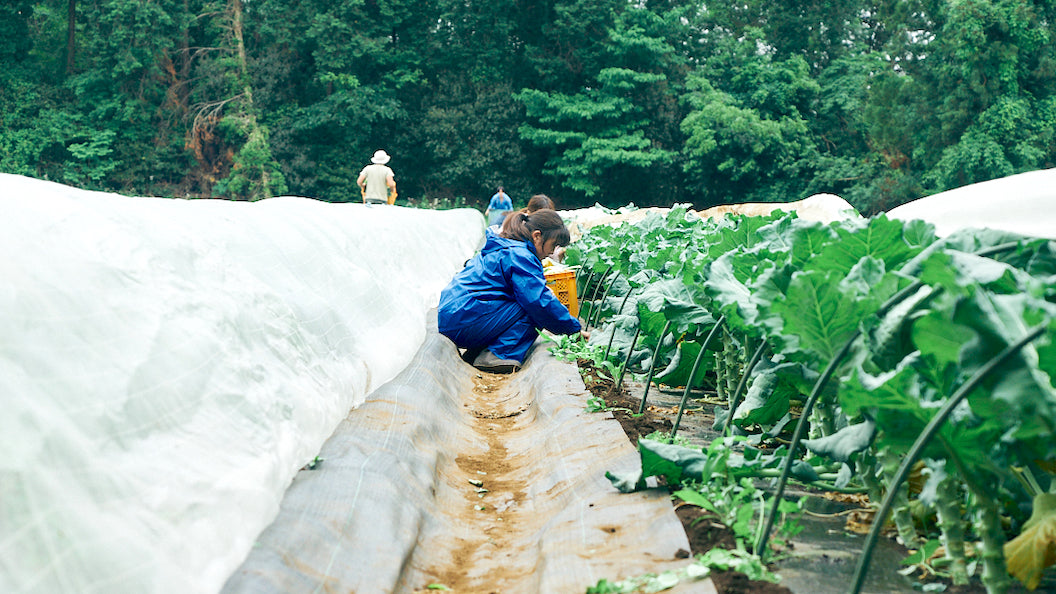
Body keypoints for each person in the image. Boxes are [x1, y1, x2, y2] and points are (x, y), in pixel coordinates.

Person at [438, 209, 589, 373]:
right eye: (553, 245)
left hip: (454, 317)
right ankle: (499, 354)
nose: (551, 252)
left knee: (525, 298)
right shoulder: (520, 255)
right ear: (537, 236)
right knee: (534, 306)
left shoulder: (506, 246)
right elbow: (538, 302)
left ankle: (478, 352)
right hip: (464, 319)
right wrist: (573, 330)